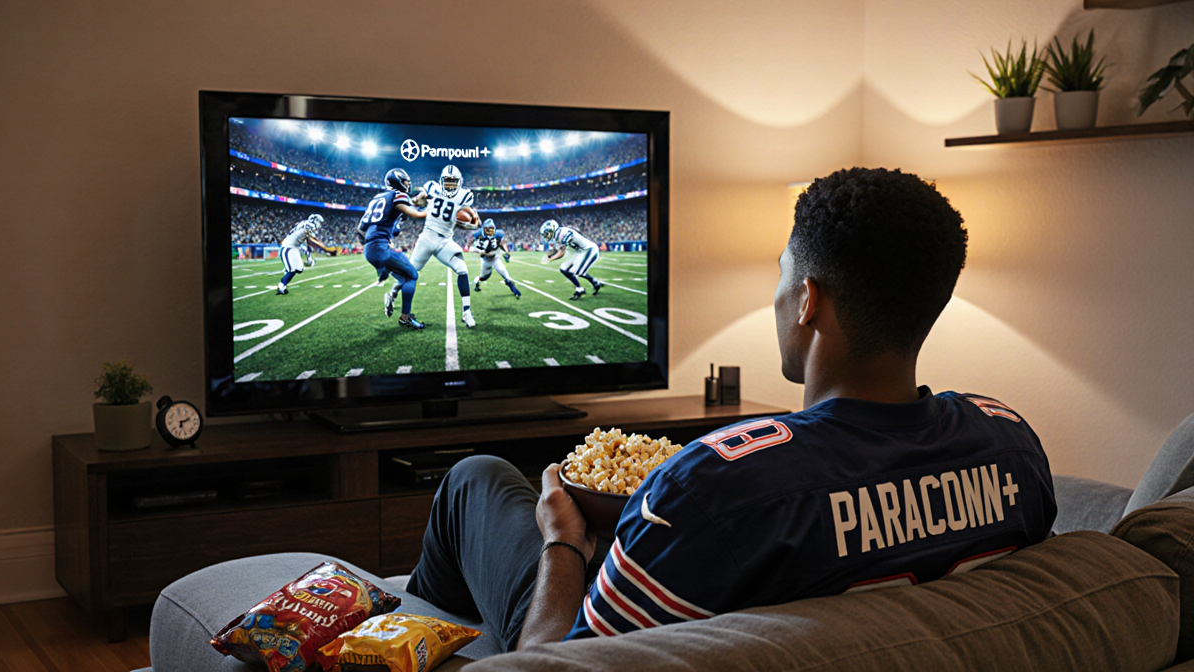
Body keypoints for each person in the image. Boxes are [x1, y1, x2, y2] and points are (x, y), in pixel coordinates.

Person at [405, 167, 1056, 651]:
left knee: (478, 477)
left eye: (779, 276)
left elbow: (560, 664)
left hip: (593, 622)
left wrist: (565, 543)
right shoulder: (1011, 444)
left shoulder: (717, 484)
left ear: (807, 299)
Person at [409, 164, 481, 327]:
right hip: (428, 237)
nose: (449, 185)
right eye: (447, 181)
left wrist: (472, 222)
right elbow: (419, 199)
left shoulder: (464, 196)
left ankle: (467, 311)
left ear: (459, 182)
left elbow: (468, 219)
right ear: (441, 181)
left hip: (445, 241)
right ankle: (392, 297)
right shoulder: (431, 187)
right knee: (410, 272)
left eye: (453, 182)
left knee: (462, 269)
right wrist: (417, 201)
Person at [357, 168, 426, 330]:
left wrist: (371, 243)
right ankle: (405, 317)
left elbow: (361, 228)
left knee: (403, 278)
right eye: (406, 181)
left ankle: (388, 289)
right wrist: (434, 211)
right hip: (381, 248)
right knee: (412, 275)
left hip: (370, 249)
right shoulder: (398, 195)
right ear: (398, 182)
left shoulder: (377, 198)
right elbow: (415, 213)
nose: (408, 184)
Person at [540, 219, 604, 300]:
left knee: (576, 270)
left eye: (547, 233)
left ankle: (585, 286)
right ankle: (588, 284)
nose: (546, 236)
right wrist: (548, 255)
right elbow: (558, 250)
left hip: (589, 250)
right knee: (564, 268)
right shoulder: (558, 235)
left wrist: (551, 259)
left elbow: (562, 251)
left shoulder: (562, 233)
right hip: (580, 252)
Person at [275, 213, 330, 295]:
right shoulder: (308, 225)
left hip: (295, 247)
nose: (320, 225)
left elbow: (304, 244)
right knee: (292, 269)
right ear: (314, 221)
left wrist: (309, 256)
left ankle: (285, 277)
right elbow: (310, 238)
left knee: (299, 269)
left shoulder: (304, 227)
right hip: (287, 247)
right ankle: (281, 286)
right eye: (319, 222)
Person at [473, 219, 521, 298]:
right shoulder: (479, 236)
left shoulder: (498, 234)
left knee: (505, 274)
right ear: (483, 229)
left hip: (495, 259)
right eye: (487, 229)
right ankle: (477, 283)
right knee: (484, 277)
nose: (489, 231)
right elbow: (481, 253)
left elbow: (501, 244)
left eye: (491, 229)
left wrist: (506, 252)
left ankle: (514, 290)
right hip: (486, 261)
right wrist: (485, 252)